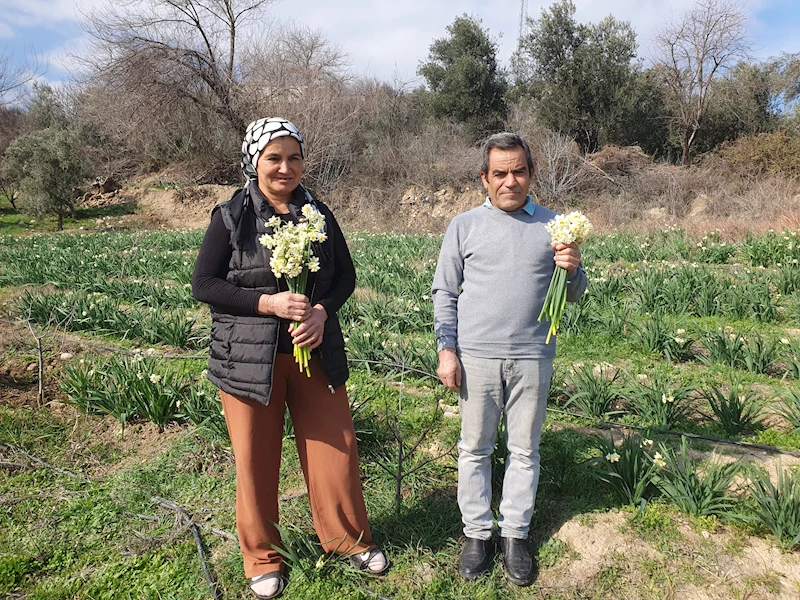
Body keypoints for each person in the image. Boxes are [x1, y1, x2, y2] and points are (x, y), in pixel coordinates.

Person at [192, 117, 387, 600]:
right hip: (247, 359)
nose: (285, 167)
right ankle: (262, 557)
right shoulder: (231, 216)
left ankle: (348, 541)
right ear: (254, 162)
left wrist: (320, 311)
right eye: (274, 158)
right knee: (255, 461)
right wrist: (268, 303)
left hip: (313, 352)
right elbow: (205, 284)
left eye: (294, 157)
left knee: (335, 450)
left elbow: (344, 276)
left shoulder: (317, 213)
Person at [432, 132, 587, 586]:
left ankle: (514, 534)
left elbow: (576, 295)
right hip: (476, 356)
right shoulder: (463, 226)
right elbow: (445, 291)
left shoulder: (556, 226)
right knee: (475, 449)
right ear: (485, 178)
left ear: (531, 174)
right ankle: (477, 534)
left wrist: (573, 269)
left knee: (524, 450)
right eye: (499, 173)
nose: (509, 181)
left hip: (533, 357)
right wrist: (447, 349)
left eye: (518, 171)